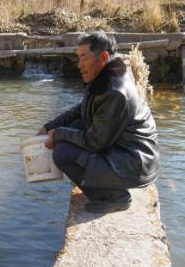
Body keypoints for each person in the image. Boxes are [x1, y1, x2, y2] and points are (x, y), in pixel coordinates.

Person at [38, 31, 159, 213]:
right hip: (123, 150)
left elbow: (94, 142)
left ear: (103, 57)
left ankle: (114, 197)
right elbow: (80, 110)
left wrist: (59, 134)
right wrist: (49, 126)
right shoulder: (104, 80)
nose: (79, 65)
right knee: (75, 125)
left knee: (63, 153)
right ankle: (104, 187)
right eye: (78, 58)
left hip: (135, 162)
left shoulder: (116, 93)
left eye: (84, 58)